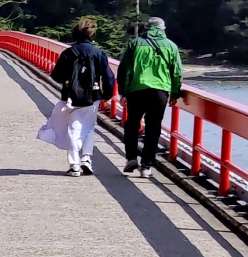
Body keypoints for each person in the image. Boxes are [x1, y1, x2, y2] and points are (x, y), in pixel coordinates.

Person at [40, 17, 116, 176]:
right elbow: (108, 77)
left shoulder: (69, 52)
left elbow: (56, 75)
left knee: (73, 129)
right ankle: (86, 158)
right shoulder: (99, 53)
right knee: (88, 127)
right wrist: (106, 95)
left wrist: (69, 82)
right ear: (92, 35)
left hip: (70, 95)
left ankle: (74, 164)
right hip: (92, 95)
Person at [117, 16, 184, 178]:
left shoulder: (135, 44)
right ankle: (146, 165)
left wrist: (123, 92)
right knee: (153, 128)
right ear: (163, 29)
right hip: (160, 92)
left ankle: (131, 158)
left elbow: (124, 70)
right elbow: (176, 73)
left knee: (132, 124)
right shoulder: (171, 46)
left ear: (147, 28)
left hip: (136, 90)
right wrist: (175, 93)